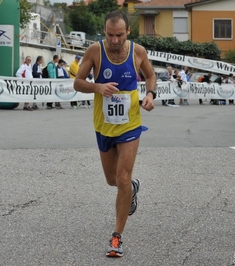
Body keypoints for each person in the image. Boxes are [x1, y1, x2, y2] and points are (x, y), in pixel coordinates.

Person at [73, 10, 156, 257]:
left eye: (119, 35)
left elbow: (150, 75)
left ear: (128, 32)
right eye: (110, 35)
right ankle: (132, 187)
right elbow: (77, 82)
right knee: (112, 180)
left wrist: (150, 94)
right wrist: (97, 86)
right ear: (104, 32)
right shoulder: (95, 51)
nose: (115, 40)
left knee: (121, 179)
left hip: (130, 124)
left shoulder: (138, 52)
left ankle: (116, 237)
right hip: (103, 125)